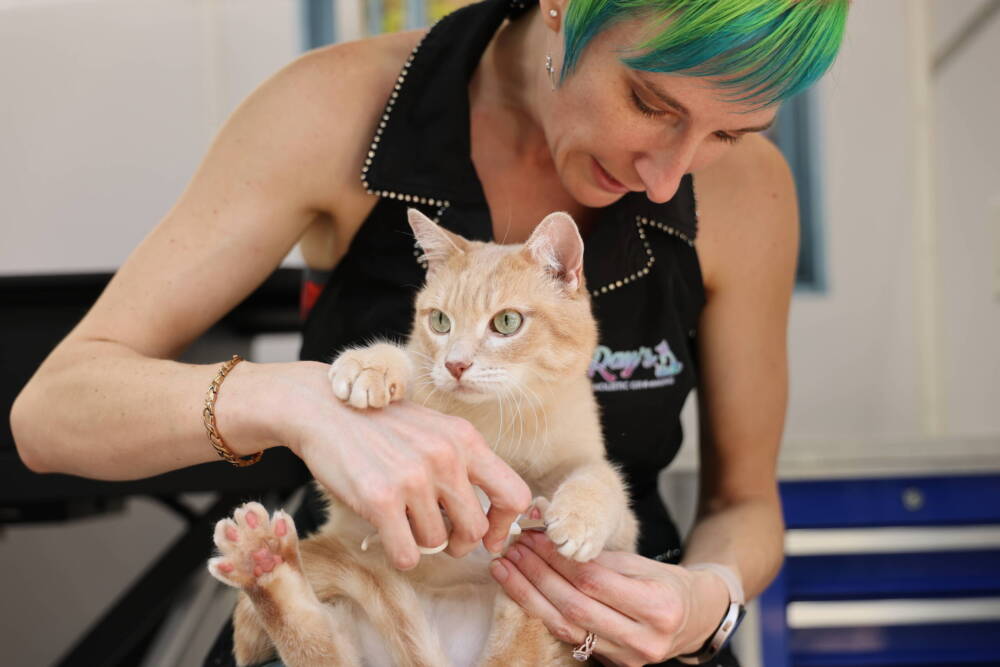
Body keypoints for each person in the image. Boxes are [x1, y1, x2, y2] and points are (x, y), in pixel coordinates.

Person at [10, 0, 849, 664]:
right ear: (561, 5)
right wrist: (296, 401)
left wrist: (708, 601)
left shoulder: (748, 195)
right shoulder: (336, 112)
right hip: (374, 619)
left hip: (597, 639)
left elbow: (744, 504)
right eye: (650, 102)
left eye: (730, 131)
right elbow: (50, 413)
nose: (667, 176)